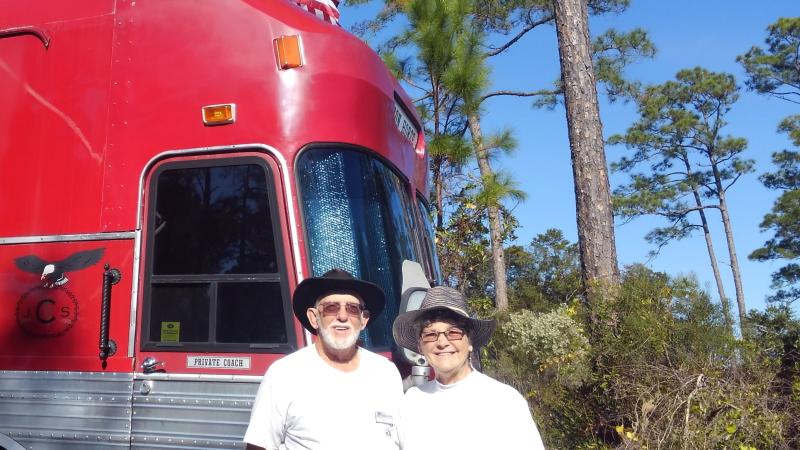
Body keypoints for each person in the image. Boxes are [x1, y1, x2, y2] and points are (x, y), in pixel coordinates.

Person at [244, 268, 403, 450]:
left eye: (352, 309)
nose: (342, 317)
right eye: (331, 308)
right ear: (314, 318)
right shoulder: (284, 374)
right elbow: (258, 446)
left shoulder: (386, 373)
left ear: (363, 319)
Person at [393, 286, 547, 449]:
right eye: (431, 335)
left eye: (453, 333)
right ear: (420, 347)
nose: (442, 343)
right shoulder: (411, 402)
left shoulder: (503, 401)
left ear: (470, 342)